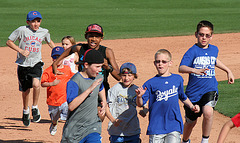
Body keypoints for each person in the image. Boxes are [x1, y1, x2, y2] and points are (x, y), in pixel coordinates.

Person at [179, 20, 235, 143]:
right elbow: (181, 68)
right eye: (201, 34)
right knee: (190, 122)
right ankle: (185, 140)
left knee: (208, 112)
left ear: (211, 36)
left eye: (207, 35)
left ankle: (205, 141)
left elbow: (214, 60)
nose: (204, 38)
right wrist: (194, 70)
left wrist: (228, 70)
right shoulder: (192, 51)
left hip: (210, 88)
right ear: (196, 34)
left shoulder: (214, 49)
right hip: (193, 93)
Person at [52, 23, 121, 121]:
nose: (93, 39)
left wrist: (107, 66)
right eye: (90, 36)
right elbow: (70, 49)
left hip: (100, 89)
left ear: (102, 38)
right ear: (86, 37)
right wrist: (56, 63)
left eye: (97, 36)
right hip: (82, 88)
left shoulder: (107, 52)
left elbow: (118, 77)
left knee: (99, 118)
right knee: (78, 115)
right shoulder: (81, 48)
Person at [135, 49, 200, 143]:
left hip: (174, 124)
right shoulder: (149, 83)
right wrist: (139, 97)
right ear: (154, 63)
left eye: (164, 62)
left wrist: (191, 106)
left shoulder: (178, 79)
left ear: (170, 63)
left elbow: (182, 96)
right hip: (156, 126)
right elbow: (140, 104)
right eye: (158, 61)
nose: (160, 64)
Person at [6, 10, 55, 127]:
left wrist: (60, 52)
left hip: (36, 63)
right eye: (33, 21)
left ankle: (35, 107)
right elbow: (9, 41)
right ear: (28, 22)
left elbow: (50, 42)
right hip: (23, 65)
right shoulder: (22, 30)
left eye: (38, 21)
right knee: (26, 90)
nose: (36, 24)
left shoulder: (44, 32)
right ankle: (25, 110)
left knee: (36, 84)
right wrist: (20, 50)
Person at [61, 49, 107, 143]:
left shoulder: (98, 77)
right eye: (97, 66)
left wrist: (104, 103)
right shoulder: (74, 81)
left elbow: (101, 88)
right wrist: (89, 89)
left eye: (101, 66)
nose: (100, 70)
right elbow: (71, 106)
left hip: (93, 126)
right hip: (74, 130)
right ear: (86, 65)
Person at [41, 46, 74, 135]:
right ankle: (54, 124)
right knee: (54, 118)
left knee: (68, 118)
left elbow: (74, 77)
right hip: (53, 101)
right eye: (54, 57)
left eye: (59, 57)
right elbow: (43, 83)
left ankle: (67, 132)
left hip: (65, 100)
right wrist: (51, 84)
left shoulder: (67, 69)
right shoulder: (48, 71)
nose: (56, 59)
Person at [106, 62, 141, 143]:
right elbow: (107, 107)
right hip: (117, 131)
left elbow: (143, 104)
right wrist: (113, 120)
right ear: (120, 76)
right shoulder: (115, 89)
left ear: (134, 76)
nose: (126, 78)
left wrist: (145, 110)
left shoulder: (136, 89)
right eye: (124, 75)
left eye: (130, 75)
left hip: (133, 130)